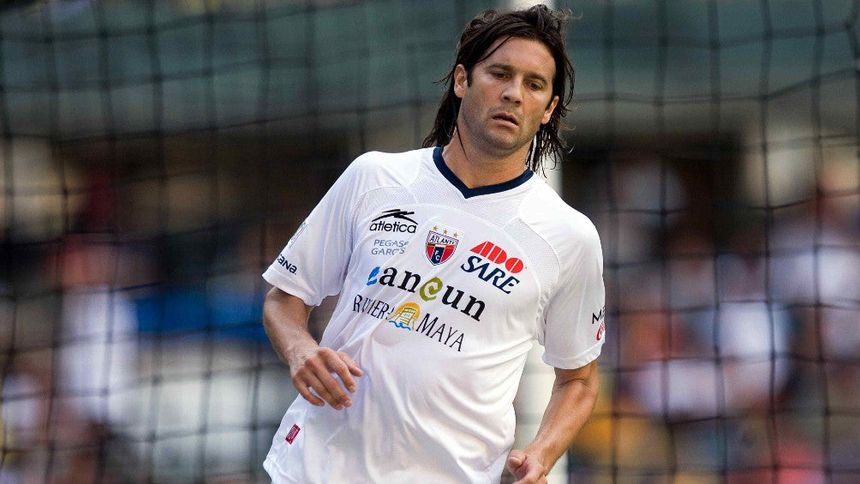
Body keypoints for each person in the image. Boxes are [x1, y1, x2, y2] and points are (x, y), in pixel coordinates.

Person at [261, 5, 605, 483]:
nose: (513, 93)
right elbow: (284, 299)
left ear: (548, 109)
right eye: (500, 74)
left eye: (534, 84)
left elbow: (579, 380)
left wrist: (542, 453)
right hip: (315, 467)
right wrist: (300, 350)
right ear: (462, 80)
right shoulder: (374, 177)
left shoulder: (569, 236)